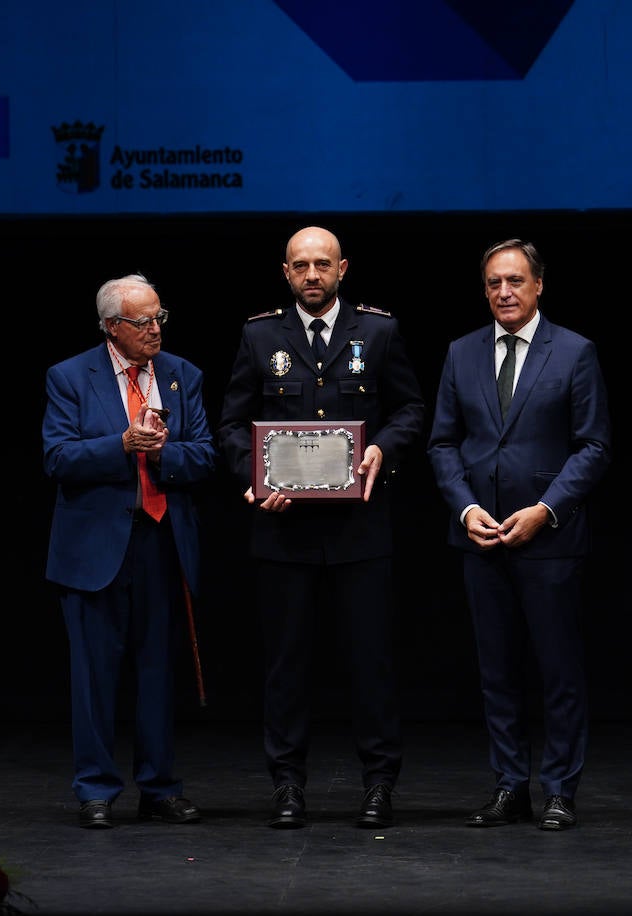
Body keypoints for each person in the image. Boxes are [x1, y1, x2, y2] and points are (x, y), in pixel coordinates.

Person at [217, 226, 426, 830]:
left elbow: (411, 407)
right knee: (287, 667)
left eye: (323, 265)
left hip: (361, 530)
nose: (312, 275)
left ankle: (379, 785)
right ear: (285, 272)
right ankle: (286, 786)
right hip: (284, 535)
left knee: (371, 664)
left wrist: (383, 449)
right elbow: (232, 423)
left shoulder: (379, 331)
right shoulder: (260, 335)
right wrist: (253, 477)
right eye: (301, 266)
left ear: (343, 269)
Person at [426, 239, 612, 832]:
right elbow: (443, 443)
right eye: (492, 283)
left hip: (549, 540)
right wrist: (464, 508)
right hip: (481, 539)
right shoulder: (461, 353)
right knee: (497, 673)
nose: (503, 292)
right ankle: (510, 786)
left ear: (538, 286)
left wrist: (545, 508)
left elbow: (594, 446)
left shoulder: (576, 352)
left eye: (514, 281)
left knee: (558, 672)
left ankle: (559, 789)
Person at [42, 272, 217, 829]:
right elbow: (58, 458)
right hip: (95, 549)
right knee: (93, 677)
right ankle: (95, 790)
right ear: (111, 327)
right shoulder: (70, 377)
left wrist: (164, 453)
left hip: (160, 542)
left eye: (159, 318)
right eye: (142, 322)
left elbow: (206, 455)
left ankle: (160, 788)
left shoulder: (182, 375)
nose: (154, 331)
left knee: (156, 672)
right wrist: (121, 445)